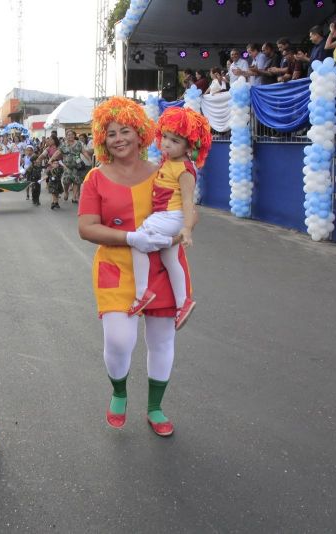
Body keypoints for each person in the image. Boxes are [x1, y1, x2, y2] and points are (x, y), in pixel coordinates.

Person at [78, 96, 196, 438]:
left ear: (140, 132)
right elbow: (86, 228)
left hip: (161, 267)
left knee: (162, 342)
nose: (119, 138)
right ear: (102, 140)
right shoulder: (94, 179)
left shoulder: (165, 169)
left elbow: (190, 211)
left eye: (125, 130)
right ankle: (119, 390)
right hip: (116, 267)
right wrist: (132, 239)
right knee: (118, 340)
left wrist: (172, 238)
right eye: (111, 133)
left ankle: (156, 407)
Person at [127, 106, 210, 332]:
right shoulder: (169, 161)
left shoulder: (184, 169)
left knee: (137, 241)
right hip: (167, 216)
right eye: (165, 137)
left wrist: (187, 229)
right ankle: (183, 302)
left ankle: (142, 292)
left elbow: (187, 202)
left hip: (170, 216)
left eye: (175, 141)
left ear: (189, 146)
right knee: (170, 260)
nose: (166, 143)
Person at [49, 129, 91, 204]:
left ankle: (74, 197)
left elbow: (84, 152)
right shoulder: (63, 144)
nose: (70, 136)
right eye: (68, 135)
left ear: (74, 136)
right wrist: (51, 159)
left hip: (77, 166)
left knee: (76, 181)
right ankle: (66, 192)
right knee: (66, 181)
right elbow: (57, 152)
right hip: (66, 166)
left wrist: (90, 160)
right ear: (66, 136)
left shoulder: (78, 144)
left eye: (71, 135)